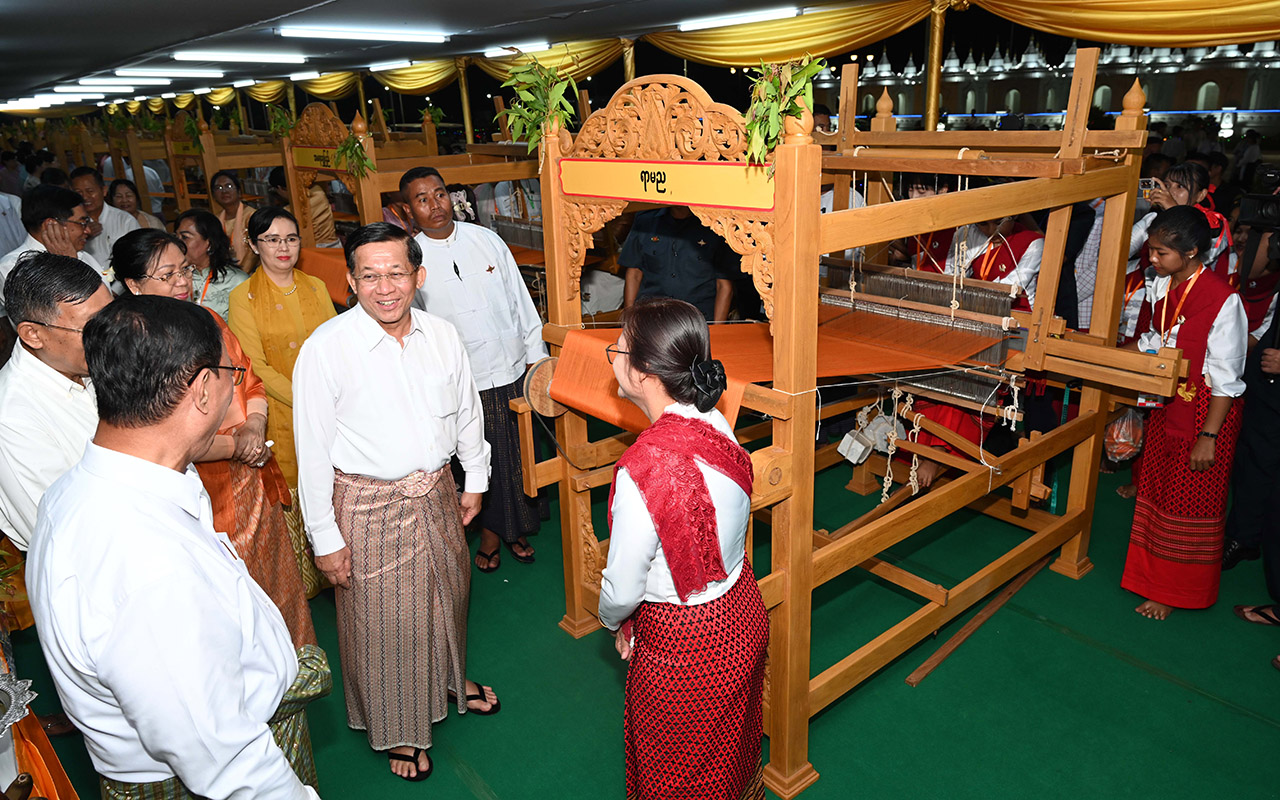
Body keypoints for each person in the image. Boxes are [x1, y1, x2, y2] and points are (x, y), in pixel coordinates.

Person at [28, 294, 329, 798]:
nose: (234, 384)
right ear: (204, 389)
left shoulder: (87, 489)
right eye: (231, 372)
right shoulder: (149, 566)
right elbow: (223, 759)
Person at [293, 222, 498, 781]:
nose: (384, 288)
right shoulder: (326, 348)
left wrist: (475, 479)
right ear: (350, 281)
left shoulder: (443, 335)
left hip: (439, 490)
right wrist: (324, 538)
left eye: (396, 273)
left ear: (418, 276)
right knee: (383, 623)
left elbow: (467, 412)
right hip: (366, 505)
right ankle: (398, 728)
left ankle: (450, 680)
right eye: (369, 276)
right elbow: (311, 452)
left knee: (449, 595)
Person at [598, 297, 768, 800]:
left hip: (686, 646)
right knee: (730, 759)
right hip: (741, 614)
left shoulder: (643, 467)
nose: (613, 358)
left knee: (676, 777)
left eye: (618, 350)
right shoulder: (716, 422)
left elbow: (622, 589)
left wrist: (615, 621)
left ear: (644, 373)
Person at [114, 228, 315, 649]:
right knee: (234, 610)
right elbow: (164, 434)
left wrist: (254, 426)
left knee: (280, 591)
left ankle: (298, 673)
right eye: (167, 275)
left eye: (185, 270)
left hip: (253, 475)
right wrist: (238, 446)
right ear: (133, 284)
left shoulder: (209, 320)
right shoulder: (135, 345)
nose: (182, 282)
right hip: (204, 492)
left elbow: (250, 379)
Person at [402, 166, 545, 571]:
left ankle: (516, 528)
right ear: (408, 210)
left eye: (440, 194)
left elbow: (520, 300)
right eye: (422, 199)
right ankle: (490, 534)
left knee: (517, 454)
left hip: (512, 367)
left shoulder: (486, 240)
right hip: (463, 380)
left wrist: (535, 356)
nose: (435, 205)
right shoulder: (410, 259)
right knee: (477, 459)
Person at [1121, 206, 1247, 620]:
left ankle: (1176, 591)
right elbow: (1156, 339)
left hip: (1207, 412)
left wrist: (1208, 437)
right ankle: (1150, 576)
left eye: (1161, 253)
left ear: (1191, 252)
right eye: (1152, 250)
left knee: (1189, 501)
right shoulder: (1161, 284)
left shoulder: (1224, 300)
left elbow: (1227, 378)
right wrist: (1113, 356)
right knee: (1158, 490)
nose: (1152, 259)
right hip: (1169, 400)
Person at [228, 207, 334, 597]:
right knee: (293, 482)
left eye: (290, 238)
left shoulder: (315, 286)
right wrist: (307, 399)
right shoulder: (243, 297)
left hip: (331, 406)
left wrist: (332, 396)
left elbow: (335, 345)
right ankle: (304, 586)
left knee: (332, 479)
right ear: (255, 245)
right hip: (280, 412)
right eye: (272, 240)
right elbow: (255, 365)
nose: (283, 247)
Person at [0, 252, 112, 552]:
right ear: (33, 334)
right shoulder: (12, 418)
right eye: (91, 328)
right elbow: (64, 536)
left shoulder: (93, 361)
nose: (111, 335)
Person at [620, 206, 737, 321]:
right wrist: (628, 321)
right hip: (652, 316)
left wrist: (717, 328)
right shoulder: (646, 220)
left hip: (697, 319)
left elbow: (724, 285)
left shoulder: (716, 225)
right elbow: (634, 273)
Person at [0, 185, 110, 307]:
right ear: (51, 225)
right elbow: (53, 313)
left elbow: (107, 304)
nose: (88, 230)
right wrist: (68, 265)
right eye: (81, 223)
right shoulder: (13, 266)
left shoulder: (84, 256)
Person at [177, 208, 248, 320]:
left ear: (209, 243)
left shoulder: (237, 282)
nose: (177, 243)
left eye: (185, 237)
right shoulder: (175, 279)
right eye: (176, 237)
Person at [70, 167, 140, 267]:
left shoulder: (125, 220)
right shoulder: (69, 223)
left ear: (104, 190)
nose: (84, 197)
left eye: (90, 191)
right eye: (78, 192)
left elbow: (138, 256)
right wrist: (82, 234)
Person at [268, 167, 339, 247]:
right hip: (335, 245)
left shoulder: (288, 211)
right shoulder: (318, 191)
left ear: (280, 188)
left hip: (314, 249)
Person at [211, 170, 257, 270]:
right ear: (214, 196)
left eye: (229, 186)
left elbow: (255, 251)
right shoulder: (215, 220)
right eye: (219, 188)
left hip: (251, 272)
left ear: (239, 192)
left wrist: (240, 275)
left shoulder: (252, 216)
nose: (224, 191)